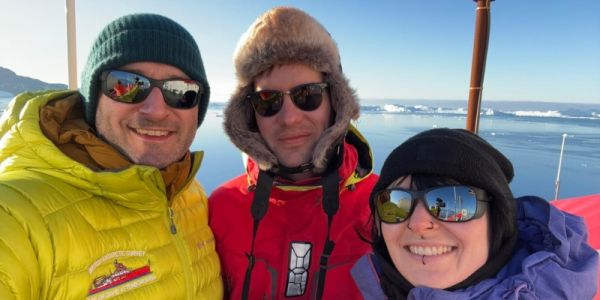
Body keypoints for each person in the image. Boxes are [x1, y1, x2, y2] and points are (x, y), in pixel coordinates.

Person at [0, 13, 222, 299]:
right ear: (94, 97)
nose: (155, 110)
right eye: (127, 85)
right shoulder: (15, 214)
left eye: (180, 92)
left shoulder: (190, 195)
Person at [208, 6, 378, 299]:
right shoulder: (221, 208)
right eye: (267, 100)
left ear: (335, 102)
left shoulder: (383, 208)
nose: (289, 118)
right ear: (250, 113)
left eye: (307, 95)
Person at [351, 128, 598, 299]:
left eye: (453, 202)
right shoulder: (379, 288)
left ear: (498, 218)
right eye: (395, 202)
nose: (418, 223)